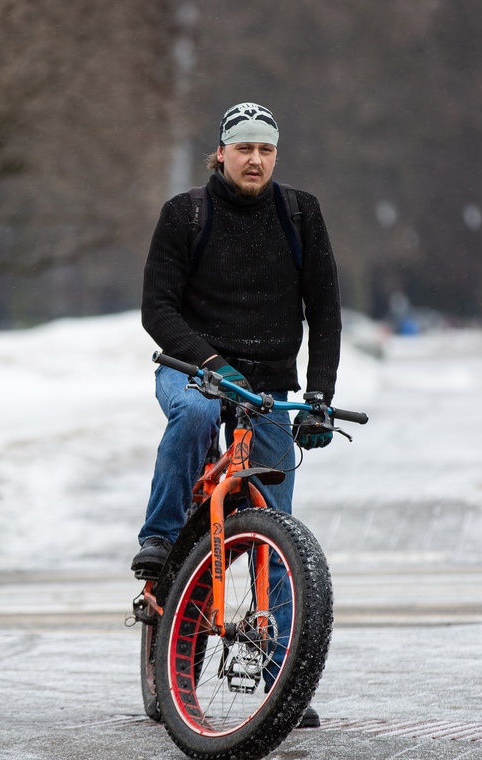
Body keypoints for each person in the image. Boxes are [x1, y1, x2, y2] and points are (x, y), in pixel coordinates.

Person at [135, 102, 343, 728]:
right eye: (244, 148)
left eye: (267, 150)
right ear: (220, 153)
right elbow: (157, 308)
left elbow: (325, 311)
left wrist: (318, 397)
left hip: (270, 386)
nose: (255, 159)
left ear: (276, 156)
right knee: (196, 418)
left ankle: (285, 675)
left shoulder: (300, 214)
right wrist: (210, 362)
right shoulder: (185, 214)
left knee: (278, 531)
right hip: (193, 369)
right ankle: (161, 538)